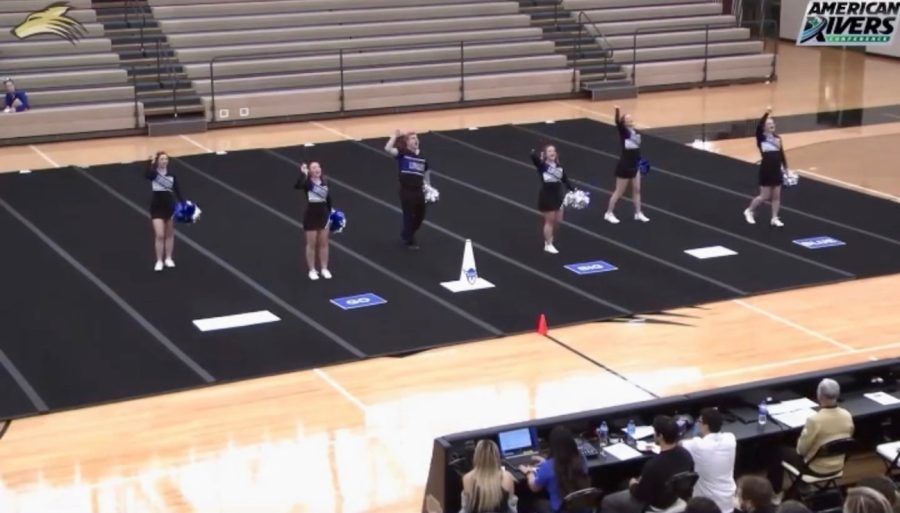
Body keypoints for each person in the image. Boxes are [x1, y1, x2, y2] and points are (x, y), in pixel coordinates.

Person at [767, 378, 854, 496]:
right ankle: (802, 486)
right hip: (838, 465)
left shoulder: (814, 420)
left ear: (819, 395)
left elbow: (801, 451)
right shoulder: (847, 415)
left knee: (777, 450)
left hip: (815, 467)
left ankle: (775, 491)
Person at [601, 415, 695, 513]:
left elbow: (640, 495)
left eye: (654, 432)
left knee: (608, 500)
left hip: (654, 505)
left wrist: (633, 484)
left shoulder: (654, 465)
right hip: (673, 498)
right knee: (623, 485)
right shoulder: (686, 455)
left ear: (660, 436)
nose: (653, 435)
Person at [519, 425, 590, 513]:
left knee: (531, 501)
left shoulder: (548, 467)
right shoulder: (581, 458)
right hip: (582, 509)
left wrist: (529, 473)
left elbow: (534, 487)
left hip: (560, 510)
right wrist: (546, 462)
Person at [682, 408, 737, 513]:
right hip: (727, 502)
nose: (697, 424)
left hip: (705, 506)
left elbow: (676, 444)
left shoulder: (698, 445)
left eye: (699, 421)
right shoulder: (730, 439)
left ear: (706, 426)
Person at [385, 129, 430, 250]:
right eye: (413, 138)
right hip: (407, 190)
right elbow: (388, 149)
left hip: (419, 190)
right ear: (407, 142)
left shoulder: (422, 157)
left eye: (417, 138)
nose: (416, 140)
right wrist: (394, 136)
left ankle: (407, 233)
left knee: (421, 215)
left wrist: (428, 187)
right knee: (409, 215)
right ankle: (409, 239)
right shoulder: (402, 153)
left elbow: (426, 171)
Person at [605, 105, 649, 225]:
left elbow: (636, 149)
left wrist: (641, 162)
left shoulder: (635, 132)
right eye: (627, 119)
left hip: (635, 164)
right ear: (624, 122)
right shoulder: (623, 132)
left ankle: (638, 213)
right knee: (619, 191)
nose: (630, 121)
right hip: (624, 166)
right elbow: (617, 122)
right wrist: (617, 111)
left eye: (631, 119)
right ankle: (609, 213)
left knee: (637, 190)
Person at [744, 106, 787, 227]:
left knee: (776, 196)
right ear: (764, 127)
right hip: (766, 170)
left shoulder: (778, 139)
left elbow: (781, 153)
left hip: (776, 170)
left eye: (773, 123)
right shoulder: (761, 138)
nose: (772, 125)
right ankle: (749, 210)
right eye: (769, 123)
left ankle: (774, 218)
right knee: (764, 196)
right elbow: (758, 126)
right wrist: (766, 113)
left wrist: (786, 168)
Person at [530, 144, 574, 254]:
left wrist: (573, 190)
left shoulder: (558, 166)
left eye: (553, 151)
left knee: (558, 221)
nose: (552, 152)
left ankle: (550, 238)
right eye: (549, 151)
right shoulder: (542, 166)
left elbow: (565, 180)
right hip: (547, 196)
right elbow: (533, 158)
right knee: (549, 221)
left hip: (558, 196)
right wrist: (534, 152)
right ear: (545, 154)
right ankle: (548, 244)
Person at [295, 161, 332, 280]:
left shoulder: (325, 180)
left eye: (318, 166)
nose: (317, 169)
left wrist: (332, 211)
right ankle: (312, 269)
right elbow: (297, 185)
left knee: (324, 243)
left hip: (323, 215)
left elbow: (328, 198)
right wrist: (303, 174)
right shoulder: (307, 182)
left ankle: (324, 268)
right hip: (311, 215)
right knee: (311, 244)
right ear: (310, 171)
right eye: (314, 167)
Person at [146, 151, 182, 272]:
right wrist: (149, 162)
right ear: (157, 161)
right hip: (156, 207)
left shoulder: (172, 175)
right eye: (161, 159)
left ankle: (168, 258)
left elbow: (177, 190)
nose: (164, 161)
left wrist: (183, 203)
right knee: (160, 235)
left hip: (170, 206)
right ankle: (159, 260)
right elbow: (147, 174)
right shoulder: (154, 173)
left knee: (170, 234)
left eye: (166, 159)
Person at [461, 440, 517, 513]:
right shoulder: (507, 477)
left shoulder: (467, 478)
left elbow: (466, 509)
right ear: (497, 456)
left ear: (476, 456)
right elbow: (512, 509)